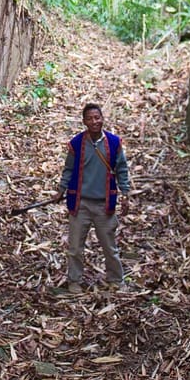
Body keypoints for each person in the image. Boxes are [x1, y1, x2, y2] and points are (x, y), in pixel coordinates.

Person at [57, 102, 130, 293]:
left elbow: (121, 169)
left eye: (97, 117)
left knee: (109, 246)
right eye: (89, 118)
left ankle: (116, 279)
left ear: (102, 119)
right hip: (80, 203)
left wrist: (126, 193)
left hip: (104, 204)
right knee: (75, 247)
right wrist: (61, 188)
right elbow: (69, 169)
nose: (94, 121)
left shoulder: (114, 143)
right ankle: (74, 281)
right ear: (84, 122)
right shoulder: (76, 144)